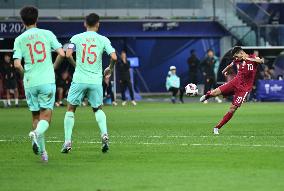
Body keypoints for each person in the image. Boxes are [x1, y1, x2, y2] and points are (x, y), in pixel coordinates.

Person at [13, 6, 65, 162]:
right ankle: (35, 134)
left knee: (36, 116)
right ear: (37, 19)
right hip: (46, 80)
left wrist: (25, 74)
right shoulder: (47, 34)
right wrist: (54, 67)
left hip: (30, 82)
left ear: (23, 21)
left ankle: (43, 154)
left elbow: (16, 64)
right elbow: (62, 53)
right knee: (46, 117)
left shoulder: (19, 39)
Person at [62, 13, 117, 154]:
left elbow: (67, 54)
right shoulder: (103, 39)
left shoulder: (76, 38)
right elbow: (114, 57)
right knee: (98, 109)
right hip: (95, 80)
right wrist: (109, 69)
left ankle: (67, 141)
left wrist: (76, 66)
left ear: (84, 23)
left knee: (70, 109)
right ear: (98, 24)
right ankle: (104, 134)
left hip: (79, 79)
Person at [200, 46, 264, 135]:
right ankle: (207, 96)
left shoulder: (253, 57)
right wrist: (226, 72)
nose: (236, 58)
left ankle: (217, 128)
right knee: (215, 92)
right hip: (234, 82)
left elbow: (261, 61)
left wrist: (248, 59)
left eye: (236, 56)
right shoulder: (237, 60)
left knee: (232, 109)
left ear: (241, 53)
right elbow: (229, 66)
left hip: (244, 89)